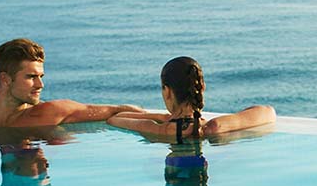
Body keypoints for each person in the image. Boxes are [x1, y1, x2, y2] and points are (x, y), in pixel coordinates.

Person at [0, 38, 143, 127]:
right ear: (5, 79)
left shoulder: (50, 113)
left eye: (41, 76)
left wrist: (165, 119)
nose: (40, 85)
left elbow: (116, 110)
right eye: (31, 77)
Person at [107, 56, 276, 141]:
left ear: (167, 92)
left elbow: (115, 119)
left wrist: (161, 117)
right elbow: (268, 112)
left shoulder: (157, 129)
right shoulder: (215, 127)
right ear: (201, 87)